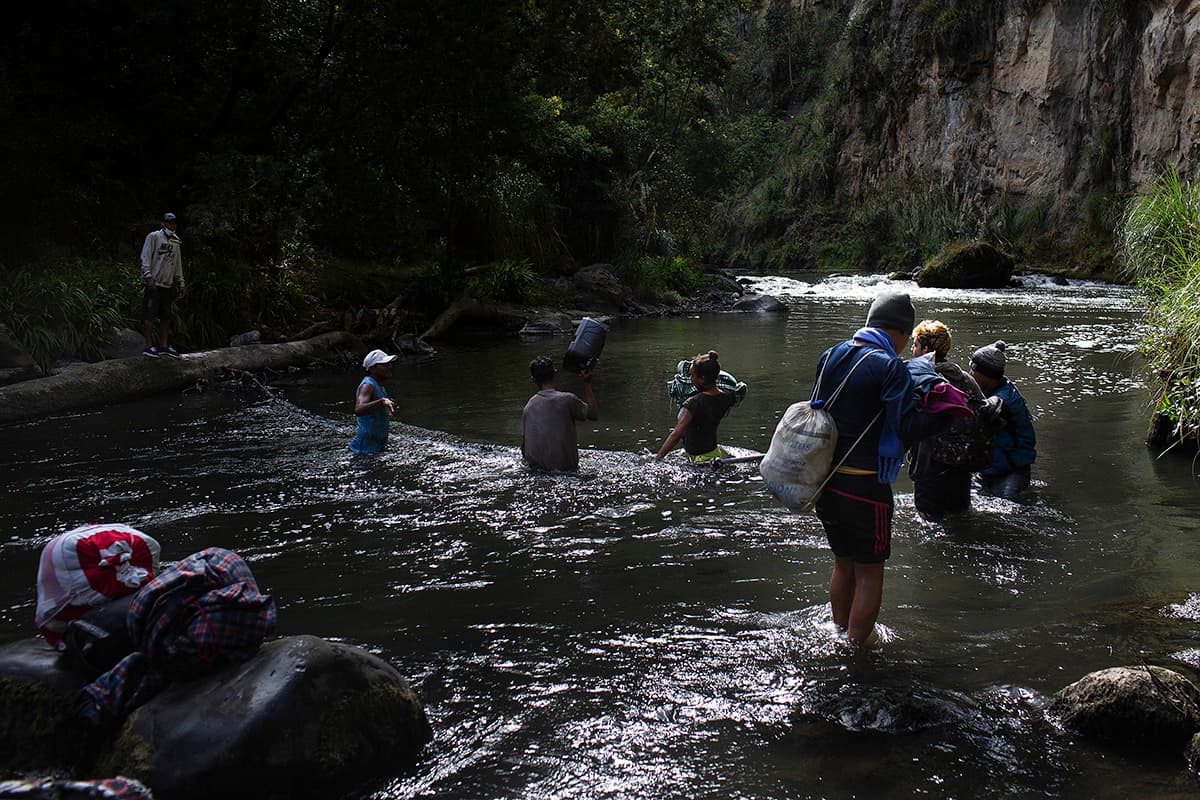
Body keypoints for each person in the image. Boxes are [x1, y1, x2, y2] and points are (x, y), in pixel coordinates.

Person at [811, 292, 949, 645]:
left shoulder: (832, 354)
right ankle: (857, 653)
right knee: (870, 573)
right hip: (865, 487)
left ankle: (839, 632)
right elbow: (906, 427)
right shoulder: (888, 366)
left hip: (825, 482)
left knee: (843, 564)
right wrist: (945, 414)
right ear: (901, 332)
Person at [906, 320, 988, 517]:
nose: (911, 349)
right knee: (961, 522)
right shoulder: (965, 378)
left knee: (929, 523)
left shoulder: (918, 378)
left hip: (929, 468)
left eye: (915, 344)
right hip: (962, 466)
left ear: (926, 349)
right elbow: (983, 413)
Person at [970, 340, 1037, 500]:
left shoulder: (1005, 399)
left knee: (1008, 510)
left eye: (973, 370)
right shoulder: (989, 388)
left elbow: (989, 409)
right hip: (987, 469)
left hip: (1012, 471)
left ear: (987, 374)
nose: (970, 374)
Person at [655, 350, 737, 463]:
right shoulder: (726, 398)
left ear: (702, 378)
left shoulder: (694, 403)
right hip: (715, 454)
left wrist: (657, 458)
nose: (691, 379)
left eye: (692, 376)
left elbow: (676, 434)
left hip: (699, 460)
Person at [521, 355, 598, 472]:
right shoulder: (567, 399)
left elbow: (523, 448)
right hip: (566, 471)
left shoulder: (528, 407)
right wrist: (587, 383)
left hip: (536, 471)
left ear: (533, 380)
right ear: (554, 373)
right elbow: (593, 414)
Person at [139, 212, 186, 358]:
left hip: (167, 284)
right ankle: (148, 346)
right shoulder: (153, 237)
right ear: (163, 223)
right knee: (150, 314)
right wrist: (148, 276)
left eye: (174, 223)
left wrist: (181, 282)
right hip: (153, 283)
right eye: (170, 222)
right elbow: (145, 257)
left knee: (166, 316)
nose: (172, 225)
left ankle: (164, 346)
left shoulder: (176, 242)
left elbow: (177, 264)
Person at [349, 349, 398, 454]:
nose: (389, 366)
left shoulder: (379, 386)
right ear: (372, 369)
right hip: (362, 450)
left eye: (389, 363)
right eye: (384, 364)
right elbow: (359, 409)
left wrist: (387, 403)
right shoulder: (367, 385)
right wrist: (381, 402)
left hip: (376, 447)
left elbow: (376, 405)